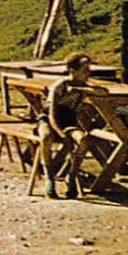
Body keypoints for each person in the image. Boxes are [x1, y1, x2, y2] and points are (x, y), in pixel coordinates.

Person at [41, 53, 106, 198]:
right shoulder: (59, 86)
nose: (88, 73)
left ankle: (71, 174)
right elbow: (52, 114)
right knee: (46, 137)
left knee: (84, 140)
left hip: (69, 121)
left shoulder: (82, 86)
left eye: (89, 70)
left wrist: (83, 89)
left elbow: (103, 92)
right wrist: (61, 134)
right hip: (50, 119)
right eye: (84, 70)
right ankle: (49, 176)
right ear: (72, 71)